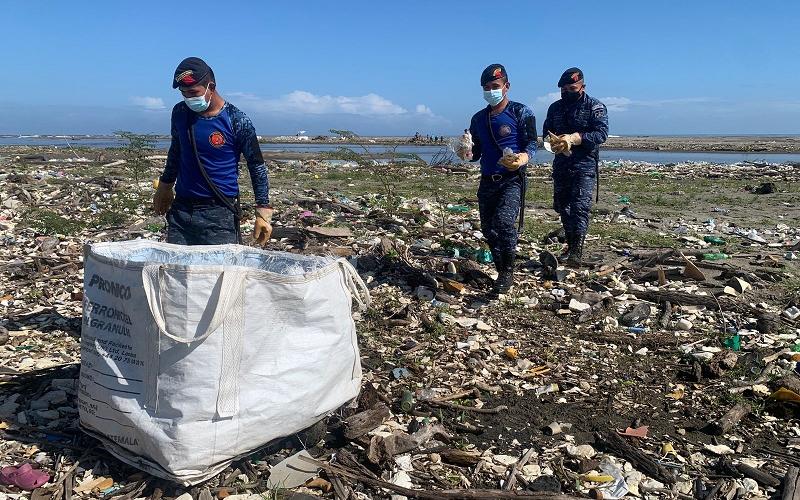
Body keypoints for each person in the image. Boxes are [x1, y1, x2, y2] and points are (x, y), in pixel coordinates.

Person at [153, 57, 273, 246]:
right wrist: (165, 185)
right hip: (182, 210)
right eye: (184, 94)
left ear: (211, 86)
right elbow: (176, 150)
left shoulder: (237, 120)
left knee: (219, 272)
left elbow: (256, 165)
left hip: (219, 212)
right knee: (177, 271)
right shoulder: (180, 113)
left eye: (194, 92)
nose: (189, 98)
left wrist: (263, 211)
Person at [457, 64, 537, 295]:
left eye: (495, 86)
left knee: (504, 222)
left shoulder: (521, 112)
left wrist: (523, 157)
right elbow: (477, 152)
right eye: (487, 87)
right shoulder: (478, 118)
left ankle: (507, 272)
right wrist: (467, 153)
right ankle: (501, 267)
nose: (491, 90)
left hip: (512, 178)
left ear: (506, 87)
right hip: (487, 179)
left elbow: (532, 142)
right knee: (488, 229)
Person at [542, 67, 608, 267]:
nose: (566, 92)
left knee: (580, 207)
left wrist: (577, 138)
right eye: (563, 89)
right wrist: (554, 142)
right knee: (563, 206)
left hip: (584, 163)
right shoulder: (555, 108)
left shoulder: (595, 106)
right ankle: (570, 245)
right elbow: (546, 131)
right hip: (561, 162)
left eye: (571, 88)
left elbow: (601, 134)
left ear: (582, 87)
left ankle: (576, 250)